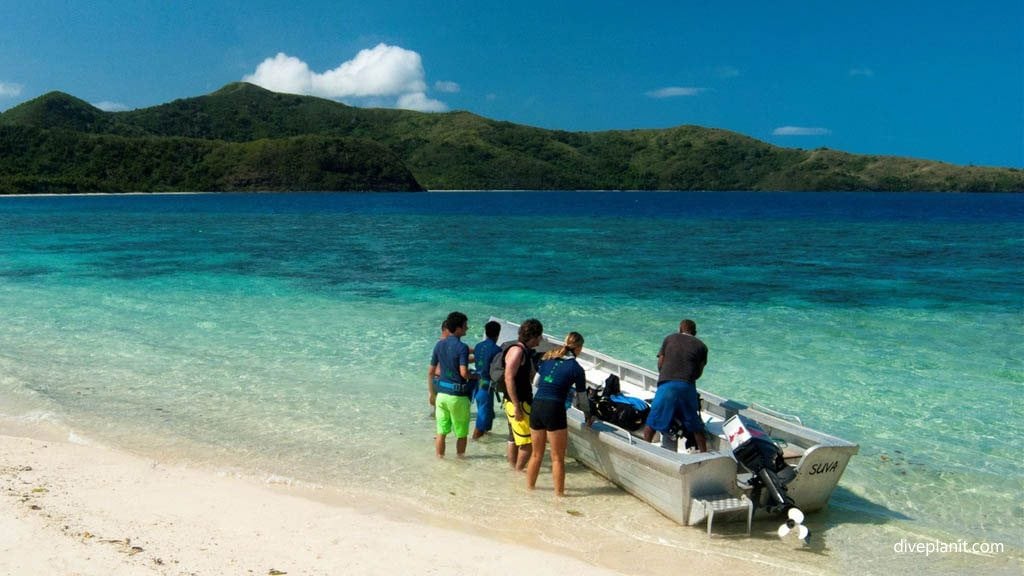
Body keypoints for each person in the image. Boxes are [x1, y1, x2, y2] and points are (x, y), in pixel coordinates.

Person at [526, 332, 592, 496]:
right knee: (557, 458)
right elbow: (582, 399)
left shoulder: (548, 359)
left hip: (537, 405)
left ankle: (529, 490)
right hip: (554, 408)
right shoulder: (576, 368)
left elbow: (536, 383)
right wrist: (588, 415)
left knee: (536, 454)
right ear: (579, 348)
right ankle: (559, 496)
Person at [643, 319, 709, 453]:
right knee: (695, 424)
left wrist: (666, 375)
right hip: (687, 386)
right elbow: (699, 372)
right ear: (695, 332)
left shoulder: (669, 339)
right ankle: (704, 453)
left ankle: (644, 449)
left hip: (667, 384)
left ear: (680, 329)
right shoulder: (702, 346)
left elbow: (660, 363)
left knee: (652, 421)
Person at [429, 312, 472, 458]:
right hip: (457, 397)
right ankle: (460, 460)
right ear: (458, 328)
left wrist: (431, 393)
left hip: (441, 395)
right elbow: (464, 373)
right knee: (461, 433)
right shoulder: (462, 347)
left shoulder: (439, 344)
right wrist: (475, 376)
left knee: (441, 432)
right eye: (465, 325)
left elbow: (432, 370)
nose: (467, 328)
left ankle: (439, 459)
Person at [502, 318, 544, 471]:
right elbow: (508, 377)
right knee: (528, 443)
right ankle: (518, 472)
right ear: (533, 336)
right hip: (517, 403)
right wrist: (517, 405)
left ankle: (513, 468)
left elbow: (530, 376)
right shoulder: (518, 351)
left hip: (512, 402)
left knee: (513, 438)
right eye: (539, 336)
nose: (541, 340)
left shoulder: (522, 350)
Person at [471, 320, 503, 439]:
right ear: (498, 334)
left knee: (485, 413)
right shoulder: (497, 350)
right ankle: (475, 440)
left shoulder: (478, 346)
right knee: (483, 417)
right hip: (487, 386)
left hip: (477, 384)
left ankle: (484, 440)